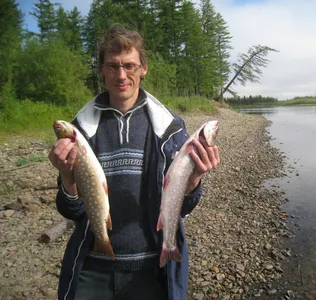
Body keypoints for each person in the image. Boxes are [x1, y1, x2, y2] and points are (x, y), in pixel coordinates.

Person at [48, 24, 220, 300]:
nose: (121, 75)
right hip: (92, 267)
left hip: (152, 267)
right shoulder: (82, 129)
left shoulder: (171, 129)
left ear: (143, 68)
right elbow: (70, 210)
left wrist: (194, 179)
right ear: (102, 71)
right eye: (112, 66)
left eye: (129, 65)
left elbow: (184, 206)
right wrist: (67, 180)